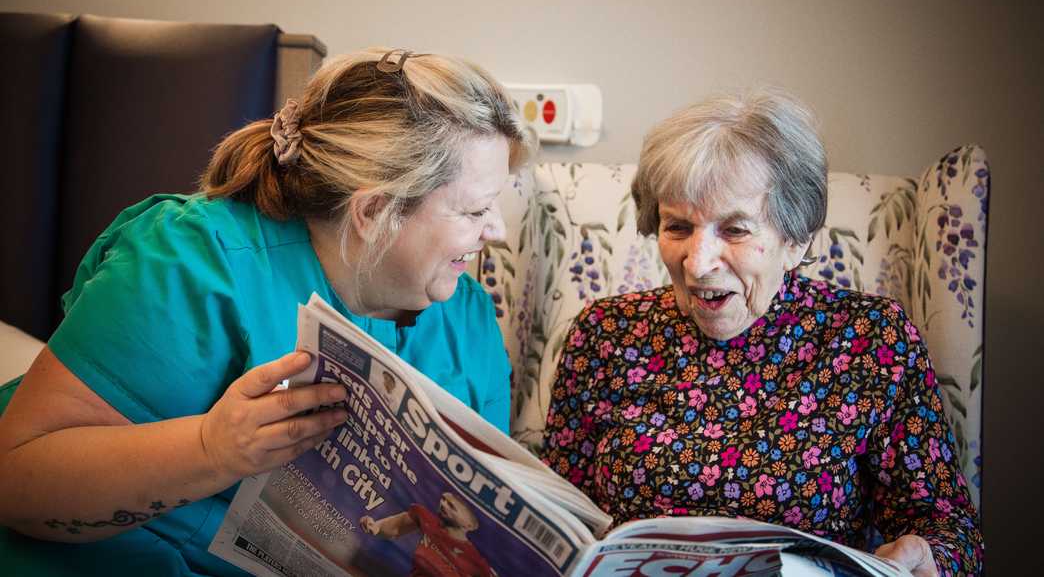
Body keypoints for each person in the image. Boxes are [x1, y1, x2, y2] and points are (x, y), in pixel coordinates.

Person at [0, 47, 532, 576]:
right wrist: (212, 451)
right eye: (474, 210)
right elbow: (15, 479)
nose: (496, 233)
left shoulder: (466, 317)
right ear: (374, 211)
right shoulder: (192, 264)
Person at [541, 89, 982, 576]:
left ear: (794, 241)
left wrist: (928, 556)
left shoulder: (869, 338)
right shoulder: (605, 335)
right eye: (678, 227)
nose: (698, 261)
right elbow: (561, 514)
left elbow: (948, 528)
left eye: (734, 230)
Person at [360, 492, 495, 577]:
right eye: (443, 499)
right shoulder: (425, 517)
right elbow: (395, 528)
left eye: (451, 506)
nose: (443, 504)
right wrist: (375, 526)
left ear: (469, 526)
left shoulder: (477, 562)